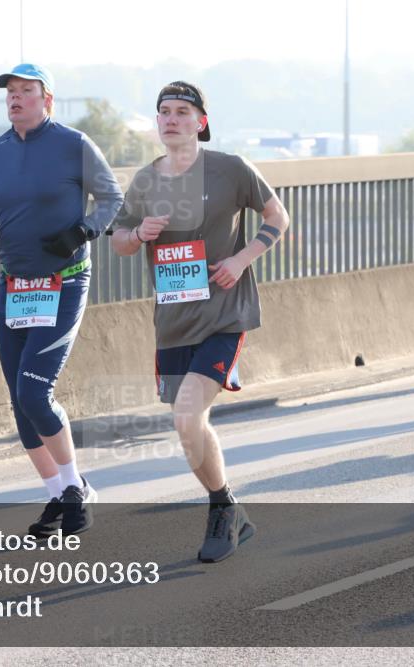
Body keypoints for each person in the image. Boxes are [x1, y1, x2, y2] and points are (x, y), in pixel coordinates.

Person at [111, 81, 289, 562]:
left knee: (188, 416)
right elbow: (119, 240)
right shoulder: (146, 180)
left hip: (224, 314)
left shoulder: (230, 169)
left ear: (200, 122)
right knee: (188, 426)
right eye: (164, 112)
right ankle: (230, 505)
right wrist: (137, 234)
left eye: (182, 112)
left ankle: (220, 509)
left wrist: (244, 258)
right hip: (172, 321)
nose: (171, 119)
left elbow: (278, 215)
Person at [0, 64, 123, 536]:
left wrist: (81, 232)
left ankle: (77, 490)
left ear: (46, 100)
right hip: (15, 285)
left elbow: (113, 200)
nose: (15, 98)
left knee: (35, 389)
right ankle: (56, 494)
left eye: (25, 91)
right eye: (10, 92)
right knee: (18, 399)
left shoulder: (74, 144)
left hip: (65, 280)